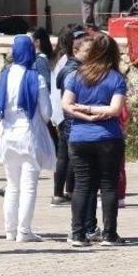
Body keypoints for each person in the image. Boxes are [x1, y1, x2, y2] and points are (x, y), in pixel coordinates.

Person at [62, 33, 127, 247]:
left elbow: (67, 105)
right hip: (108, 137)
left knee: (82, 185)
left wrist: (85, 113)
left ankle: (78, 233)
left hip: (79, 137)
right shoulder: (116, 78)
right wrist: (97, 113)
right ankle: (110, 234)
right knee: (108, 186)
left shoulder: (76, 75)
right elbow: (115, 109)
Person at [0, 35, 54, 242]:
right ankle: (24, 231)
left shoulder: (2, 76)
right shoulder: (37, 78)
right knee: (28, 186)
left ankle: (9, 231)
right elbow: (47, 113)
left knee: (12, 185)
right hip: (29, 136)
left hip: (7, 137)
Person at [51, 26, 84, 206]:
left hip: (61, 112)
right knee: (66, 155)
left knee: (65, 155)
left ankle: (64, 191)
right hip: (65, 113)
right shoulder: (67, 61)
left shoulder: (61, 59)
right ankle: (62, 192)